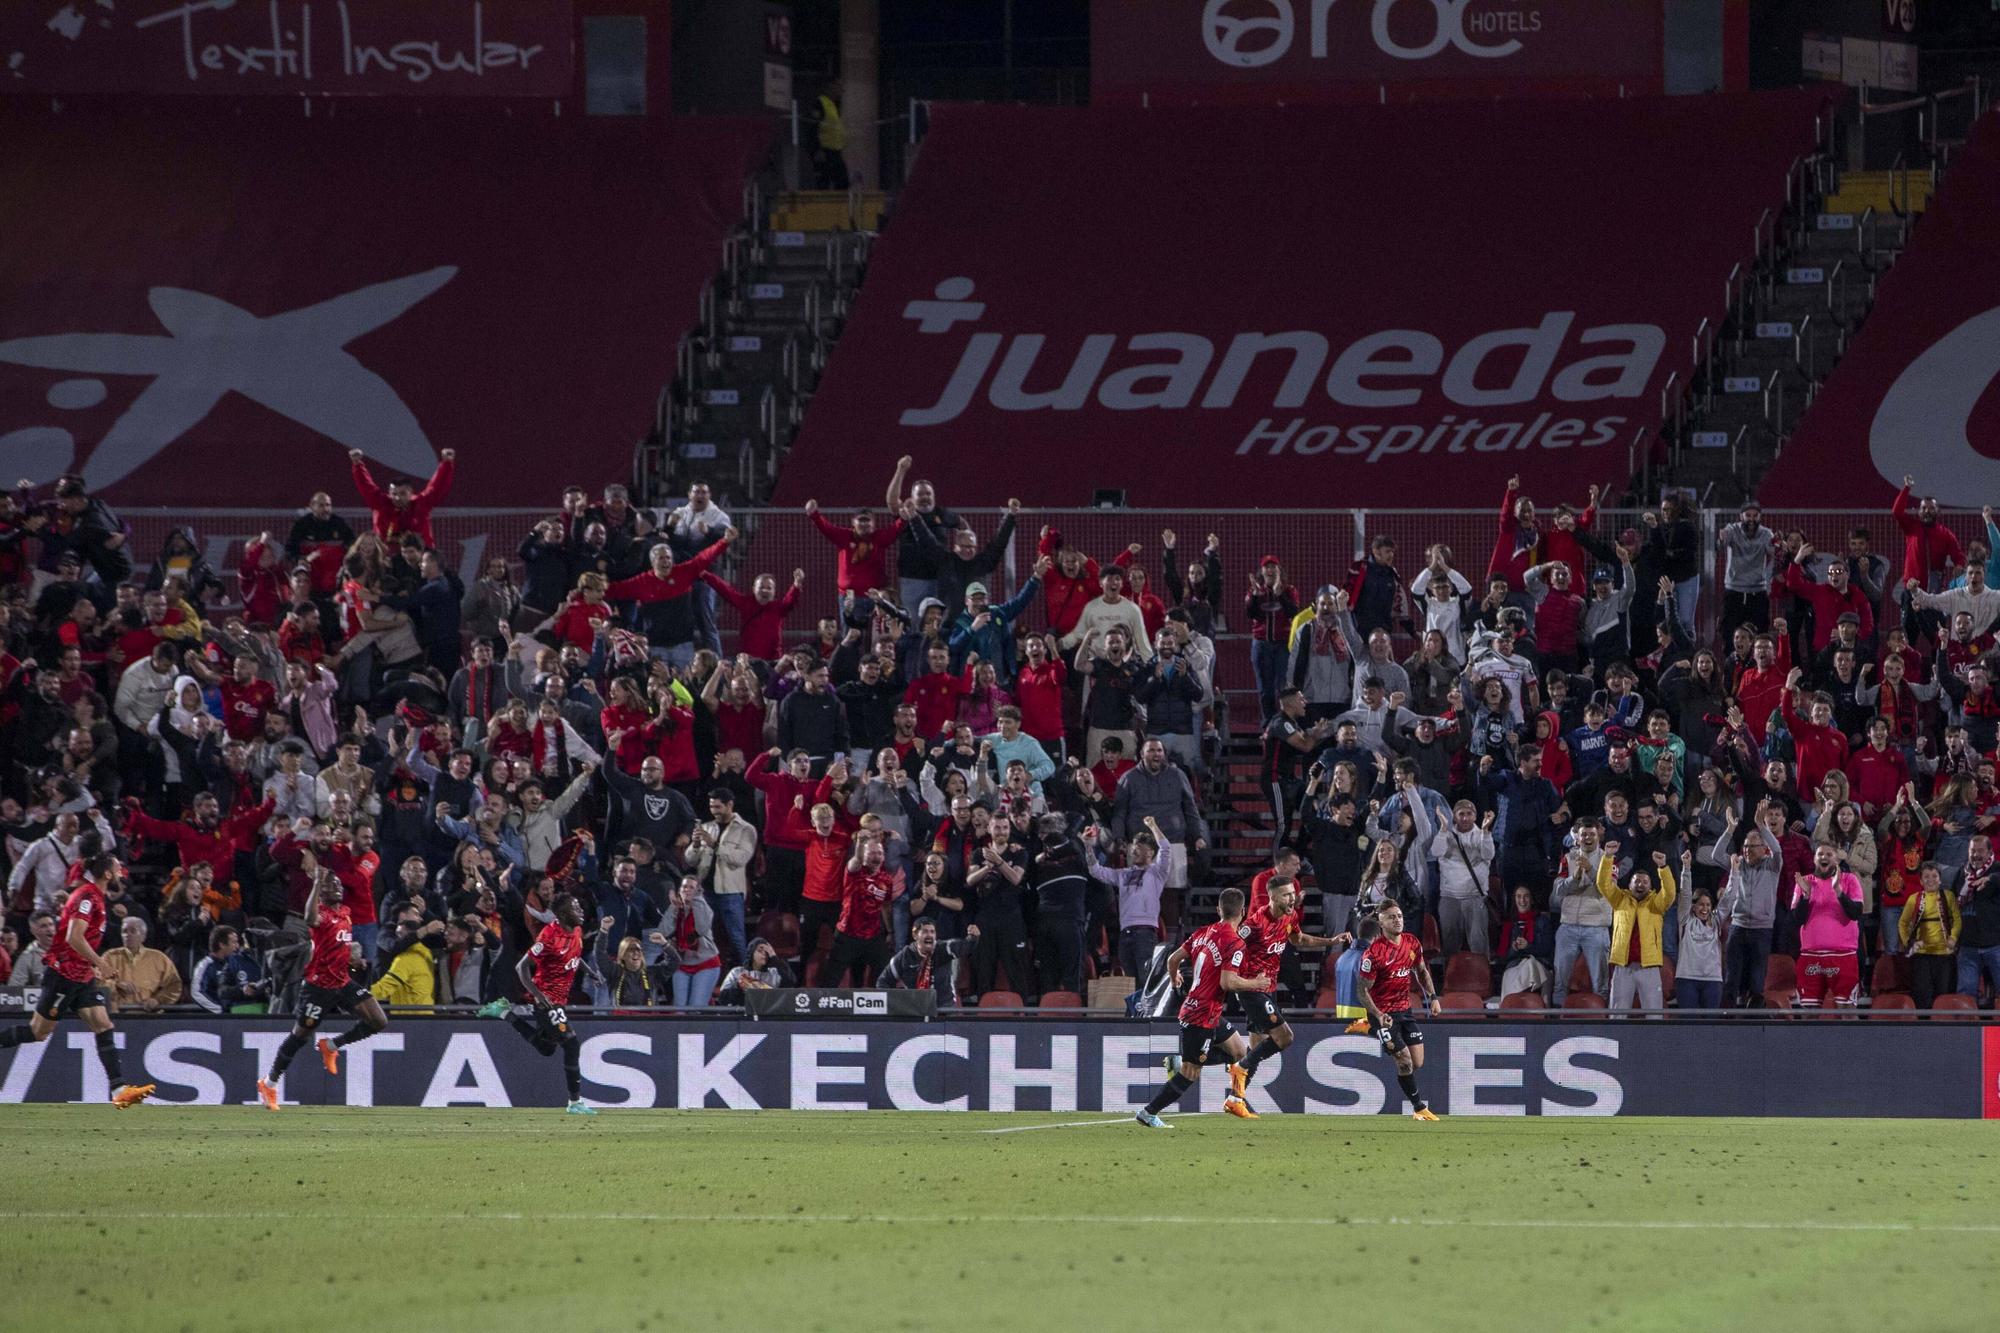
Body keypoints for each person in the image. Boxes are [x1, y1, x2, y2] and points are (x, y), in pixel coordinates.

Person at [0, 851, 155, 1109]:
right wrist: (101, 963)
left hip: (80, 976)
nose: (121, 873)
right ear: (107, 873)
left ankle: (119, 1089)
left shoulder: (97, 897)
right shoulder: (87, 896)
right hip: (63, 975)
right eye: (117, 869)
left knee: (103, 1024)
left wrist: (91, 966)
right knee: (38, 1032)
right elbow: (74, 937)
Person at [256, 868, 390, 1108]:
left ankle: (332, 1045)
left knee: (378, 1020)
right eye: (331, 884)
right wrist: (317, 882)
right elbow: (309, 919)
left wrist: (351, 960)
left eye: (338, 883)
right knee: (300, 1036)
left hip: (342, 981)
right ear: (320, 894)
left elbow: (337, 945)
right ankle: (270, 1082)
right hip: (318, 987)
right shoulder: (323, 915)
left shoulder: (346, 913)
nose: (337, 886)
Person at [1135, 887, 1266, 1129]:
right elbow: (1228, 982)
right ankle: (1148, 1112)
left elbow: (1172, 959)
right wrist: (1256, 983)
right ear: (1244, 912)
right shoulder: (1234, 943)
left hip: (1206, 1010)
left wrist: (1175, 978)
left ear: (1219, 910)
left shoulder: (1204, 932)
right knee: (1190, 1072)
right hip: (1201, 1015)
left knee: (1241, 1053)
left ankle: (1237, 1100)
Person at [1229, 875, 1346, 1109]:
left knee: (1257, 1046)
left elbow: (1299, 938)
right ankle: (1240, 1066)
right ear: (1272, 897)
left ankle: (1236, 1099)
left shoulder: (1290, 917)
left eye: (1293, 893)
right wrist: (1237, 980)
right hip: (1252, 990)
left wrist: (1331, 941)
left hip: (1268, 989)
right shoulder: (1254, 924)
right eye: (1286, 894)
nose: (1292, 898)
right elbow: (1231, 947)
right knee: (1284, 1038)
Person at [490, 892, 596, 1115]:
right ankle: (575, 1102)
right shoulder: (549, 936)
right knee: (571, 1044)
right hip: (546, 1003)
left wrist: (589, 971)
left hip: (560, 1000)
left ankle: (504, 1013)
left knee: (546, 1048)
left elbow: (574, 955)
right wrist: (539, 996)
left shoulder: (576, 930)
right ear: (562, 913)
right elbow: (521, 968)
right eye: (575, 907)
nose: (581, 911)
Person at [1358, 899, 1441, 1121]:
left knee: (1417, 1062)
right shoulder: (1373, 954)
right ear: (1381, 922)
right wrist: (1377, 1015)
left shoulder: (1411, 943)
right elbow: (1362, 991)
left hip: (1405, 1011)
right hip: (1383, 1015)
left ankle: (1366, 1028)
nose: (1397, 920)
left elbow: (1421, 971)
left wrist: (1433, 997)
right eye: (1391, 917)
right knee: (1403, 1060)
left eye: (1400, 916)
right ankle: (1419, 1108)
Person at [1597, 844, 1681, 1013]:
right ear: (1629, 884)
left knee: (1654, 1014)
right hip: (1623, 966)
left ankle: (1653, 1040)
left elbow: (1670, 893)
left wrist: (1663, 867)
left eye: (1645, 882)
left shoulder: (1656, 904)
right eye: (1637, 881)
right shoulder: (1619, 900)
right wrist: (1607, 858)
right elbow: (1603, 884)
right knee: (1617, 1014)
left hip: (1648, 967)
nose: (1640, 884)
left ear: (1650, 886)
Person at [1791, 845, 1864, 1009]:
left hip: (1843, 956)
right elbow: (1796, 920)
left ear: (1837, 860)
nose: (1824, 857)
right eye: (1820, 854)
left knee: (1847, 1011)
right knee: (1808, 1012)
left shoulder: (1849, 880)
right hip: (1810, 956)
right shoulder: (1804, 882)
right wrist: (1806, 896)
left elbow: (1856, 913)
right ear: (1814, 859)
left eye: (1829, 854)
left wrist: (1838, 891)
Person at [1899, 863, 1961, 1009]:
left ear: (1940, 880)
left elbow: (1957, 919)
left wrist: (1953, 938)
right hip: (1922, 956)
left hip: (1944, 955)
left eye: (1934, 876)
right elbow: (1902, 923)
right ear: (1920, 881)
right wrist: (1910, 942)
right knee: (1922, 994)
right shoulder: (1914, 899)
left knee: (1944, 994)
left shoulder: (1949, 896)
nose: (1930, 880)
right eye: (1926, 876)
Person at [881, 918, 979, 1004]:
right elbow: (883, 981)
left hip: (944, 1010)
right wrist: (896, 1003)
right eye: (925, 932)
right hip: (915, 1011)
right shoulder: (904, 956)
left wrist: (973, 937)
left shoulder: (943, 949)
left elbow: (965, 946)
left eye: (932, 932)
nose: (930, 935)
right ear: (915, 935)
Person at [97, 917, 182, 1012]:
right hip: (117, 1016)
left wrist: (158, 1000)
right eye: (124, 931)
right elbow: (96, 982)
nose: (128, 935)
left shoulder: (159, 958)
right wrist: (116, 985)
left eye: (133, 931)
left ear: (143, 936)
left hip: (148, 1017)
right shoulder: (109, 956)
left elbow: (174, 985)